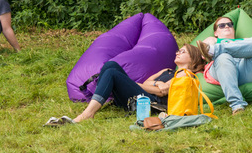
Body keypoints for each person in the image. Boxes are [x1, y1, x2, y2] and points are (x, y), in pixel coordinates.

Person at [66, 43, 210, 124]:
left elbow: (163, 91)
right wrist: (156, 84)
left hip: (151, 103)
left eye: (183, 52)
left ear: (192, 59)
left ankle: (88, 113)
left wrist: (133, 84)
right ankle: (95, 104)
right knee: (110, 65)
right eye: (178, 50)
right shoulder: (167, 70)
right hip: (143, 97)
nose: (177, 53)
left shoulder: (185, 74)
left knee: (112, 73)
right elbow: (147, 82)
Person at [200, 16, 252, 115]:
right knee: (223, 56)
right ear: (216, 33)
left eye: (230, 24)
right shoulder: (212, 40)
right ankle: (237, 105)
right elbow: (203, 53)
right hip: (223, 69)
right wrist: (212, 45)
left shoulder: (244, 40)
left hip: (245, 70)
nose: (227, 26)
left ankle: (215, 50)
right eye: (222, 25)